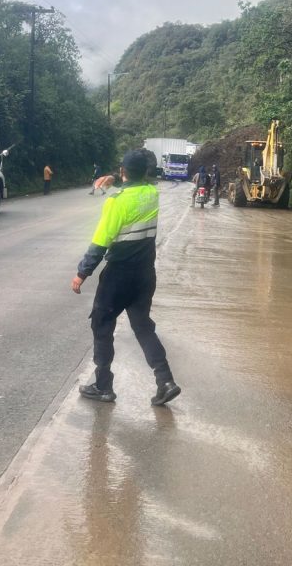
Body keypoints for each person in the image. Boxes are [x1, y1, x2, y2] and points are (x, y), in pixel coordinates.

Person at [72, 150, 180, 406]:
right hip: (144, 275)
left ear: (123, 172)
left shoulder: (116, 202)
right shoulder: (152, 194)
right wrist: (117, 179)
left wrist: (81, 273)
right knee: (143, 327)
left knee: (102, 325)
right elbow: (139, 184)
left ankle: (103, 386)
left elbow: (100, 242)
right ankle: (165, 381)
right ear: (146, 173)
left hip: (118, 277)